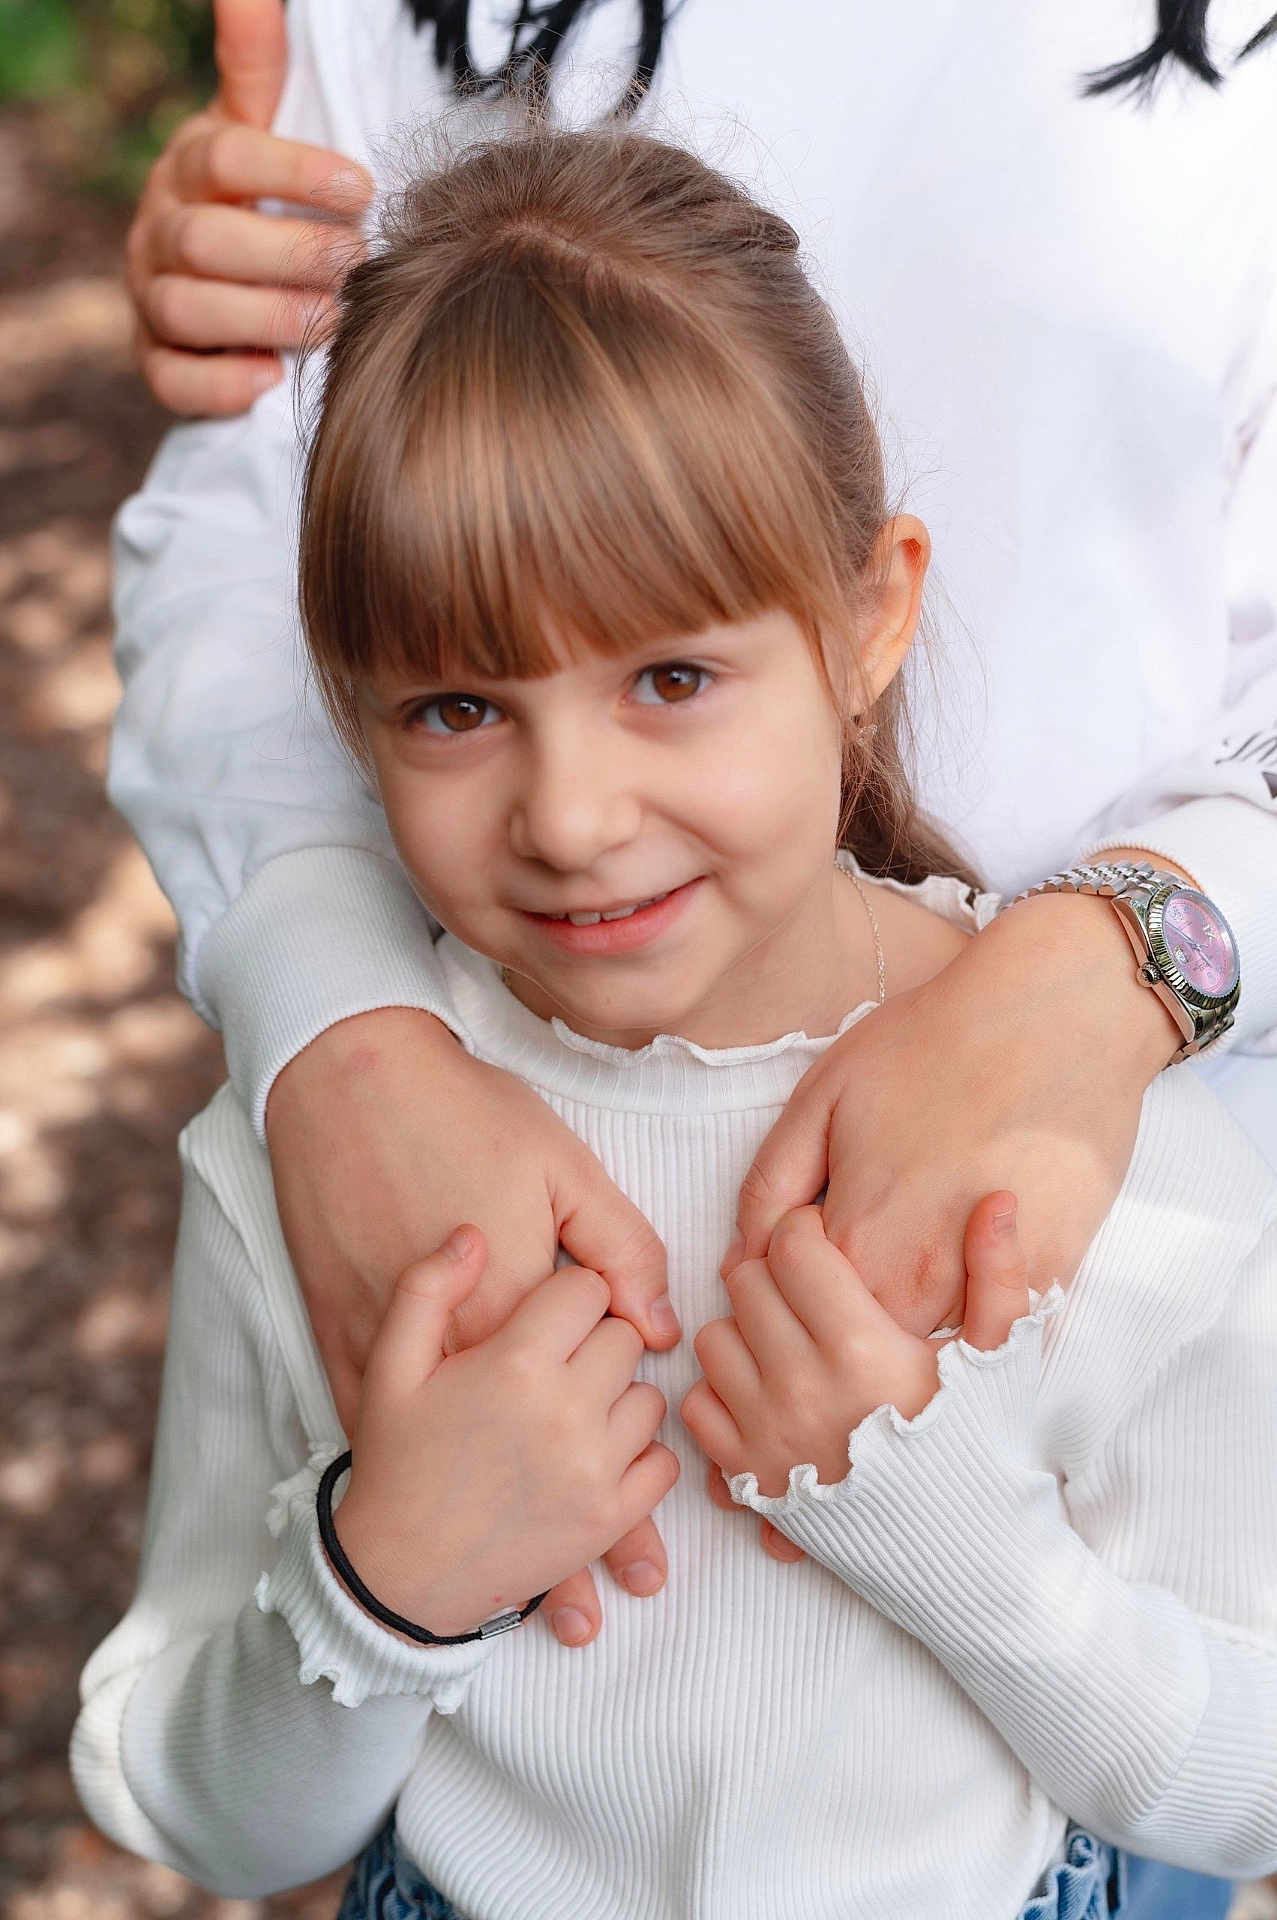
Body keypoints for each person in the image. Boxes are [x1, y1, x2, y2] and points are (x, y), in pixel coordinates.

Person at [76, 126, 1277, 1920]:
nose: (569, 816)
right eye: (459, 707)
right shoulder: (324, 1160)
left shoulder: (1110, 1141)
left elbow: (1249, 1787)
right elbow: (193, 1803)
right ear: (346, 701)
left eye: (672, 679)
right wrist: (380, 1579)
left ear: (870, 615)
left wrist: (943, 1532)